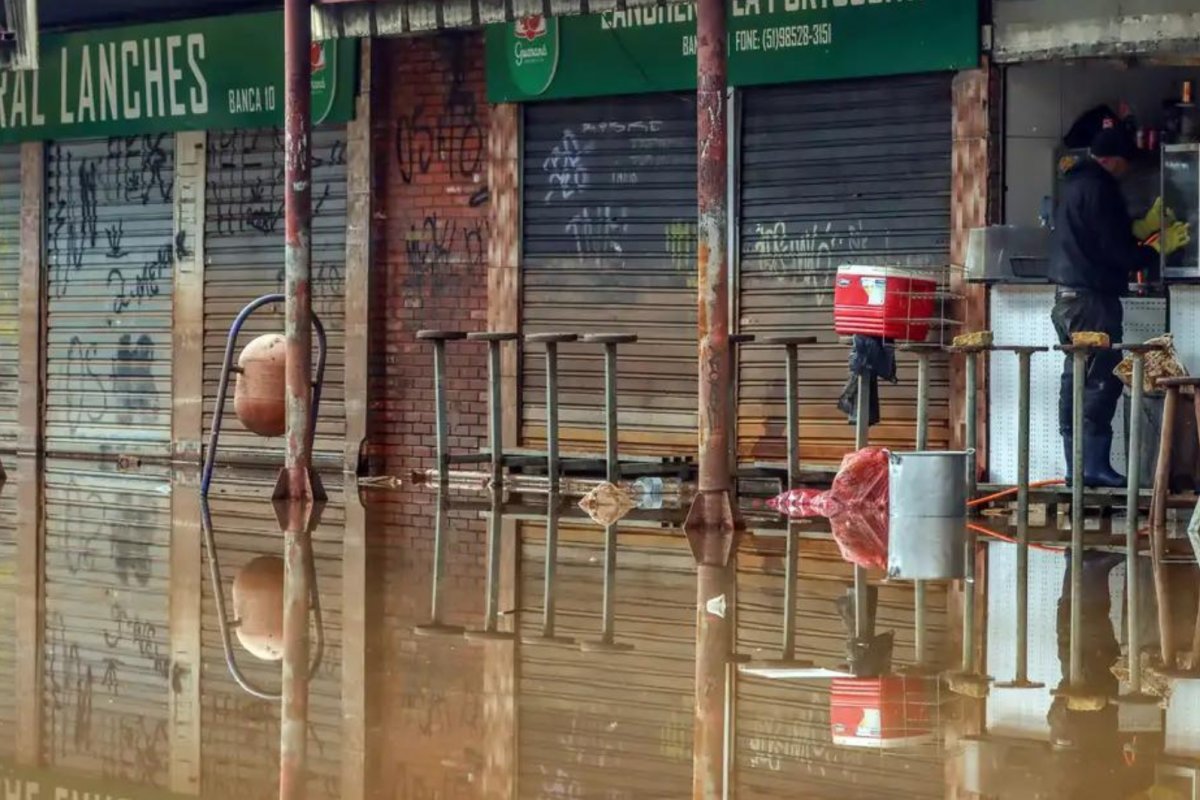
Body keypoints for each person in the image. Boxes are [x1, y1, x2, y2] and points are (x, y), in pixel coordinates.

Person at [1048, 123, 1191, 486]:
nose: (1127, 170)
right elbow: (1116, 251)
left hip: (1067, 300)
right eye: (1126, 162)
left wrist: (1141, 229)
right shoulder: (1100, 187)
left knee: (1077, 378)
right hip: (1091, 301)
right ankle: (1091, 468)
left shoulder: (1077, 184)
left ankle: (1077, 469)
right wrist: (1151, 249)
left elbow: (1099, 236)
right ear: (1112, 160)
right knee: (1099, 381)